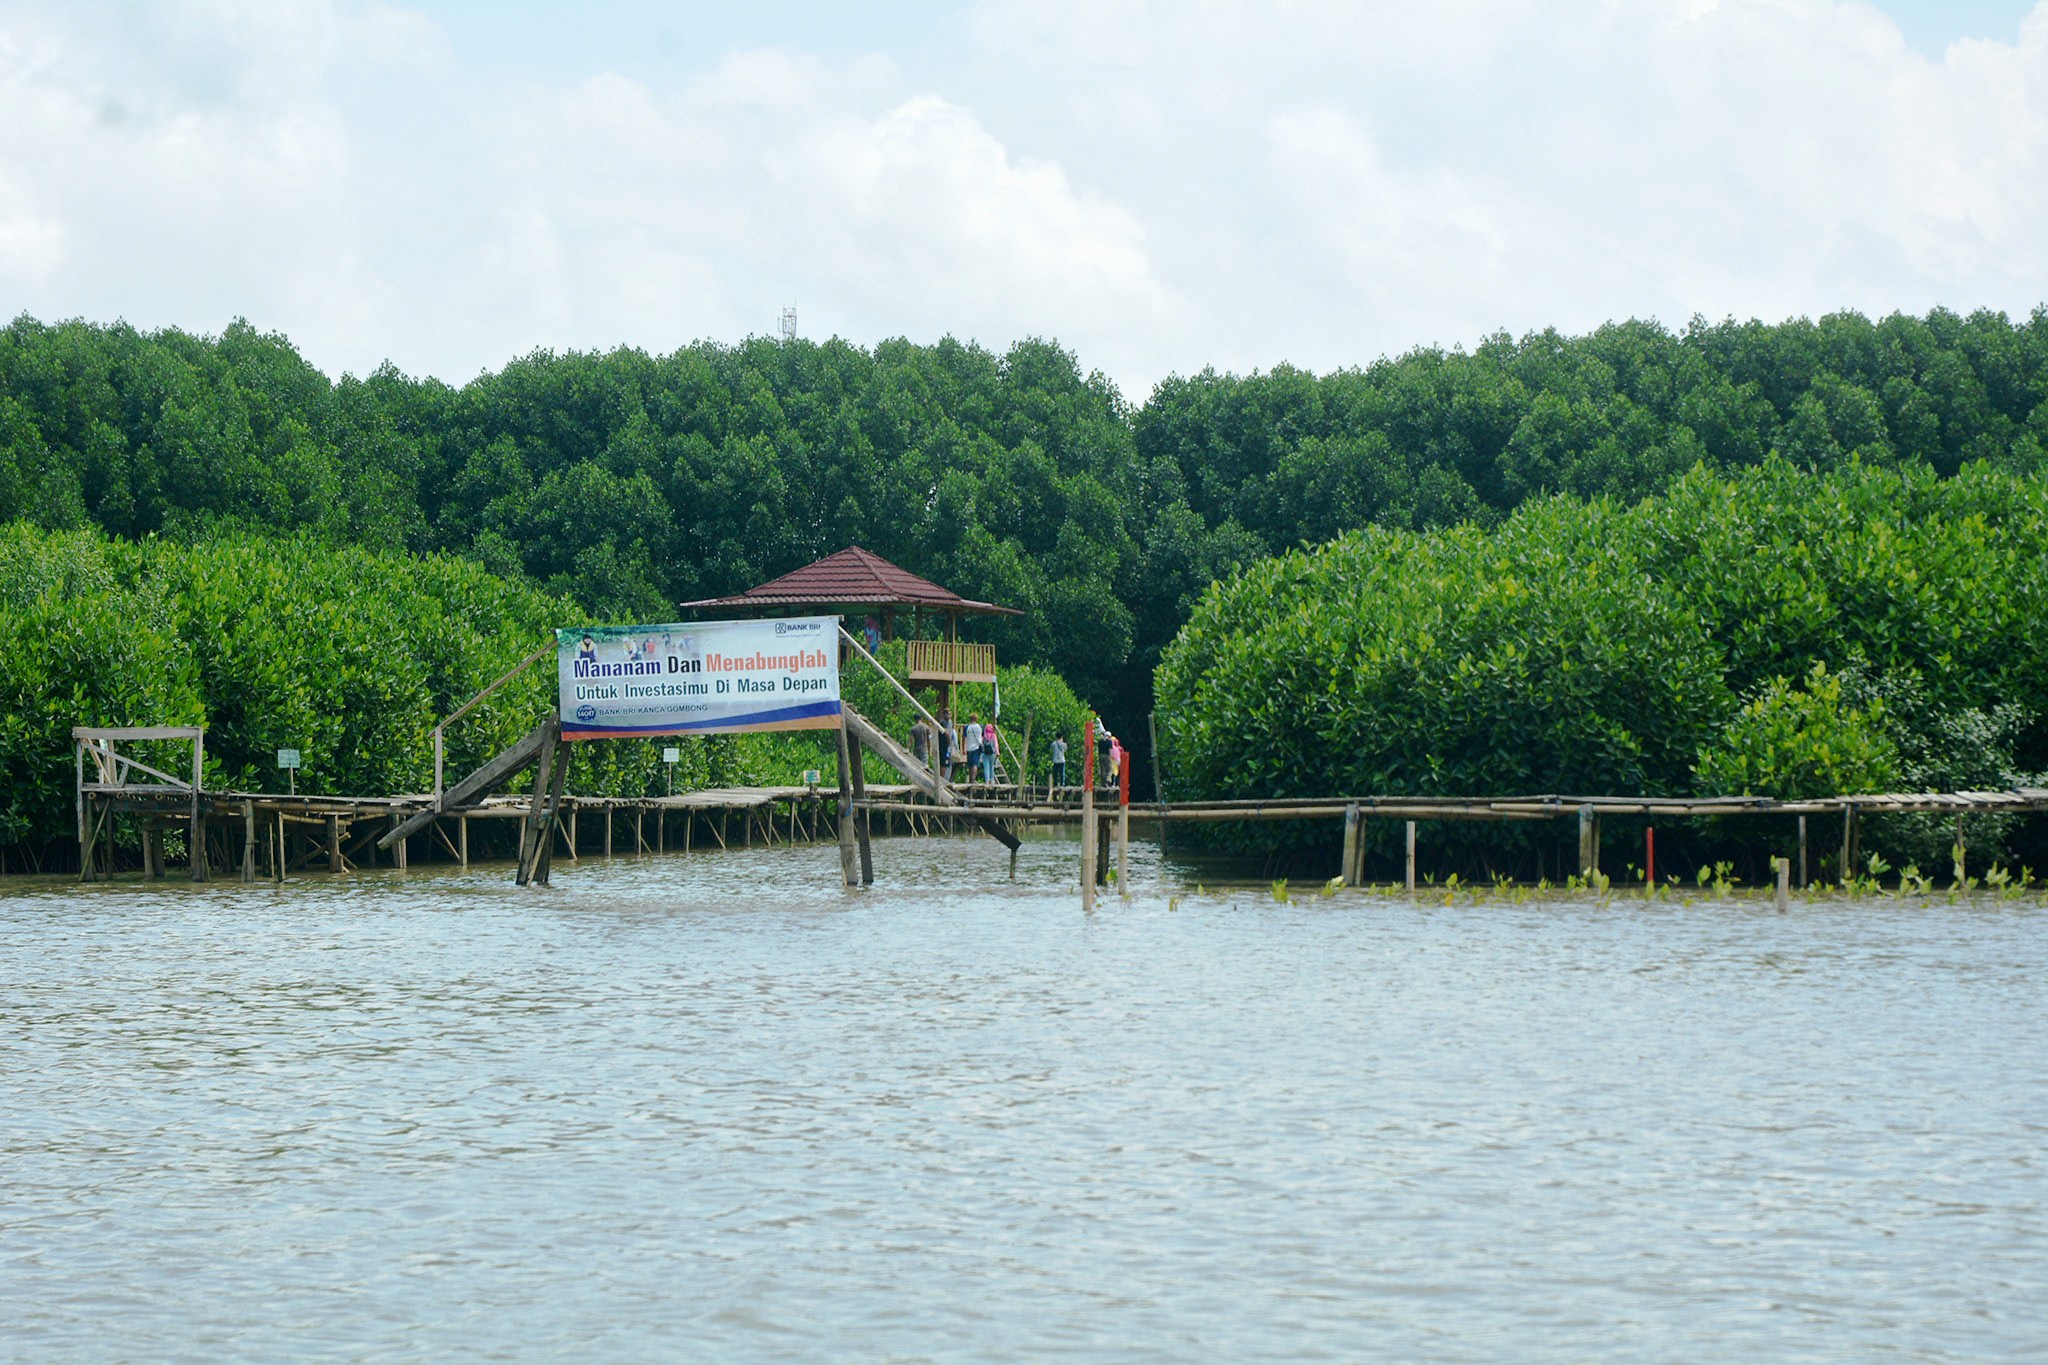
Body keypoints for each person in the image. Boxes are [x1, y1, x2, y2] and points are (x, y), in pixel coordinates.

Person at [963, 714, 983, 784]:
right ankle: (973, 779)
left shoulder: (967, 727)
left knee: (970, 764)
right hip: (977, 747)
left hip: (969, 747)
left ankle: (970, 779)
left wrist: (964, 749)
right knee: (975, 764)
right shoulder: (980, 727)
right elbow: (982, 737)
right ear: (976, 719)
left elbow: (964, 738)